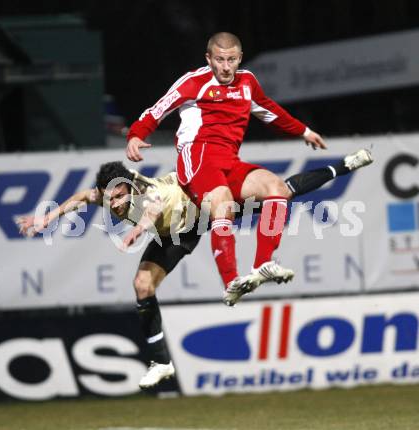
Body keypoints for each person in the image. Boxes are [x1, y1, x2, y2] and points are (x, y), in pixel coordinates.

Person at [17, 150, 372, 389]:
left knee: (283, 191)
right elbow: (80, 198)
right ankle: (161, 363)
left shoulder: (143, 192)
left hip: (197, 212)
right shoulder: (108, 192)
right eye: (110, 198)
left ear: (130, 187)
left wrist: (138, 230)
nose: (114, 203)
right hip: (171, 234)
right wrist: (44, 218)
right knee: (142, 286)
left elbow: (153, 210)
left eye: (119, 197)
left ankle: (345, 165)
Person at [125, 32, 328, 307]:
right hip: (197, 156)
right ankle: (231, 281)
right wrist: (136, 136)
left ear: (239, 59)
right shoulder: (193, 82)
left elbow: (268, 110)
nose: (225, 66)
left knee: (276, 188)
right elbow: (156, 111)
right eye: (219, 60)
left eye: (231, 60)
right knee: (223, 203)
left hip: (229, 161)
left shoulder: (247, 83)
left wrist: (303, 130)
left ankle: (263, 265)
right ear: (209, 59)